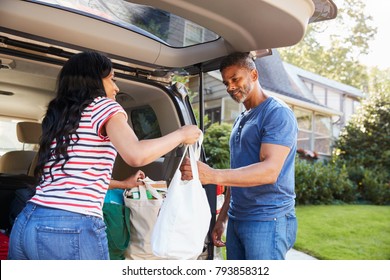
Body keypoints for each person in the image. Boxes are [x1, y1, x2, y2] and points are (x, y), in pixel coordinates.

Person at [7, 51, 201, 260]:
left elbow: (73, 179)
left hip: (27, 221)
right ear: (94, 80)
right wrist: (182, 134)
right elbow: (136, 155)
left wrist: (122, 184)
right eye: (111, 79)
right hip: (71, 225)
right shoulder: (104, 106)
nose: (116, 87)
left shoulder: (59, 118)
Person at [181, 52, 298, 260]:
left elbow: (270, 171)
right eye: (226, 82)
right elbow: (238, 172)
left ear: (254, 74)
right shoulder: (241, 119)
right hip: (237, 217)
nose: (230, 87)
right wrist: (223, 217)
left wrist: (212, 175)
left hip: (267, 219)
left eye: (236, 79)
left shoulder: (277, 113)